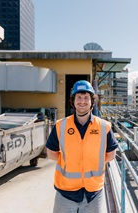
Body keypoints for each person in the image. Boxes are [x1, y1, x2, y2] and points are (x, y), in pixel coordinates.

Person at [46, 80, 118, 213]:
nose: (82, 101)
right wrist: (70, 162)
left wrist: (90, 163)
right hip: (65, 193)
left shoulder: (104, 127)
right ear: (73, 101)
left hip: (93, 194)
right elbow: (51, 153)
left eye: (86, 98)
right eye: (79, 97)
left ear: (92, 101)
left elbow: (110, 155)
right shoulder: (60, 126)